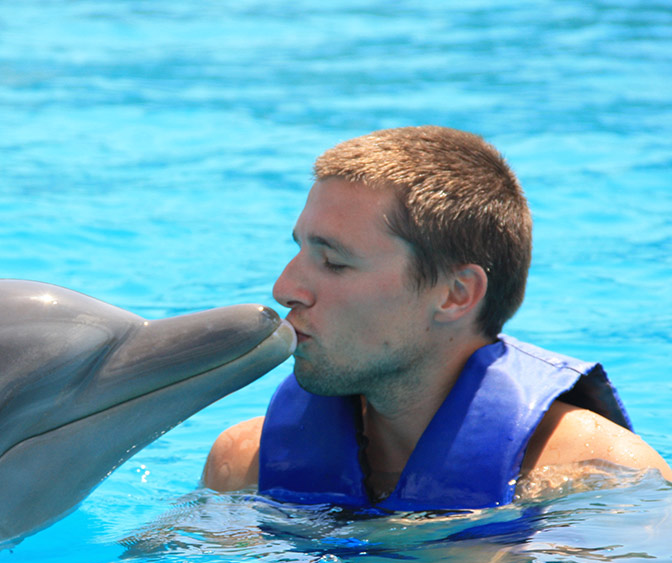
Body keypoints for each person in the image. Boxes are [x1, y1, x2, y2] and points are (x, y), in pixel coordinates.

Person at [203, 126, 671, 510]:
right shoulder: (245, 467)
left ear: (455, 295)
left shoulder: (602, 481)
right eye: (300, 249)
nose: (285, 288)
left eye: (334, 262)